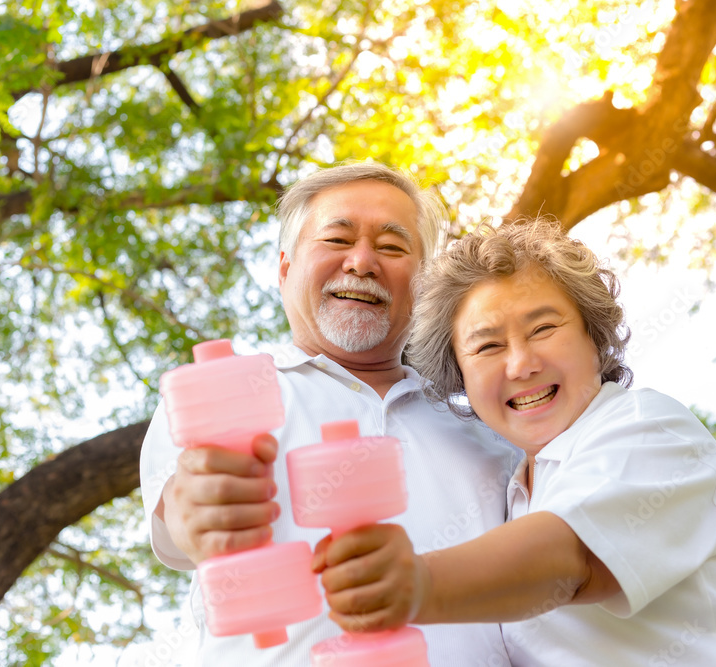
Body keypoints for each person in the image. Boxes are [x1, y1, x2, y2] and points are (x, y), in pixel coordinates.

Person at [314, 219, 716, 666]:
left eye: (544, 328)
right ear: (460, 376)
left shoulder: (647, 427)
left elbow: (571, 559)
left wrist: (418, 583)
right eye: (487, 346)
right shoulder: (508, 496)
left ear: (594, 340)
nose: (521, 364)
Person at [139, 162, 521, 665]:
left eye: (391, 247)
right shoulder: (223, 392)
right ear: (284, 268)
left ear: (425, 284)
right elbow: (184, 512)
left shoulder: (490, 427)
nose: (362, 262)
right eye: (337, 239)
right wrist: (199, 508)